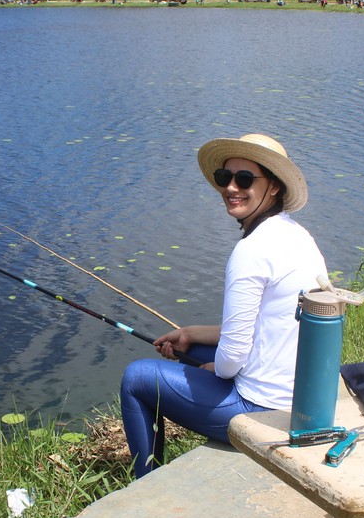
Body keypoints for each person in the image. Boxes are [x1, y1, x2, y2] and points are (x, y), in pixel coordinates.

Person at [119, 134, 328, 478]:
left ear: (274, 186)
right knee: (194, 350)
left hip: (263, 412)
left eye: (244, 179)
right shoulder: (297, 235)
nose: (231, 188)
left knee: (136, 378)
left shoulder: (252, 251)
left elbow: (231, 359)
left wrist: (215, 369)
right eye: (224, 177)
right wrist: (190, 335)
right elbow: (266, 325)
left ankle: (145, 481)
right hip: (302, 399)